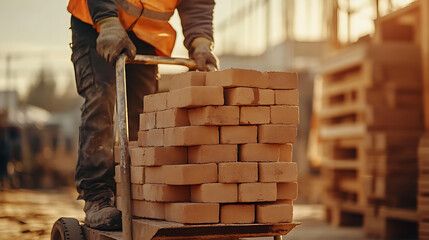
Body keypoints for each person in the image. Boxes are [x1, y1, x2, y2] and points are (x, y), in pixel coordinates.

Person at [67, 0, 218, 230]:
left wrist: (201, 42)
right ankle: (98, 197)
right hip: (97, 22)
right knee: (102, 100)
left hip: (146, 34)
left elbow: (196, 3)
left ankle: (141, 197)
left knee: (144, 118)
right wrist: (107, 22)